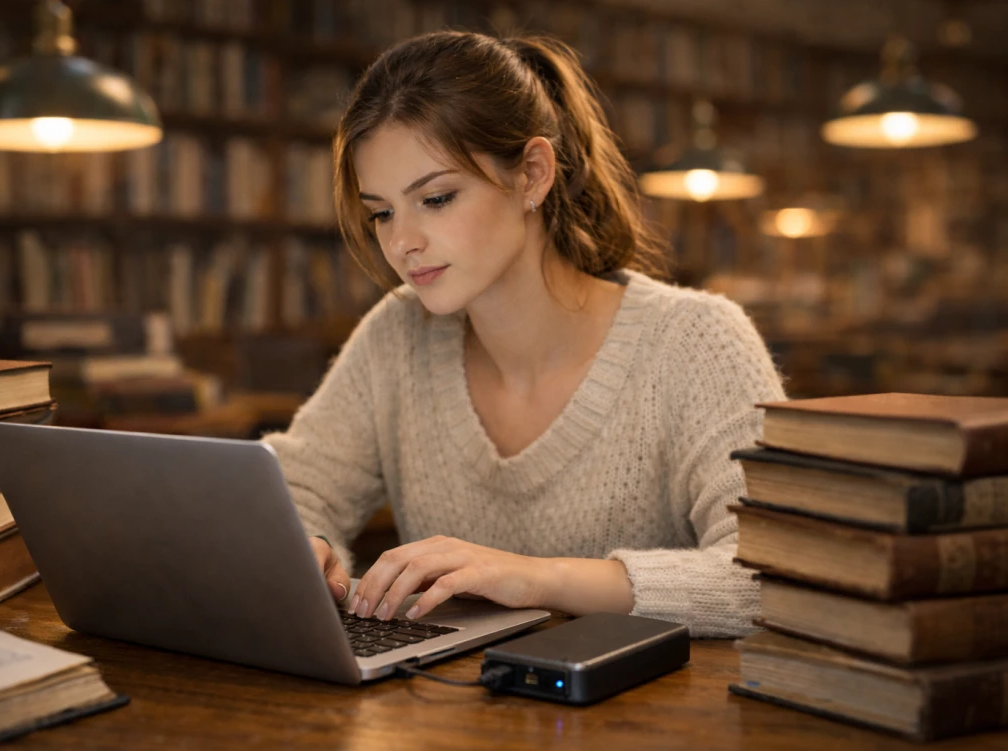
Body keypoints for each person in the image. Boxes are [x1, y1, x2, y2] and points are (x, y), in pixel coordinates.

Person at [262, 30, 786, 637]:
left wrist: (536, 578)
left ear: (533, 175)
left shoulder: (696, 341)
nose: (402, 242)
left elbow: (770, 579)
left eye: (435, 198)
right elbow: (295, 487)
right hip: (448, 718)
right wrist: (307, 544)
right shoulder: (397, 336)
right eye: (381, 211)